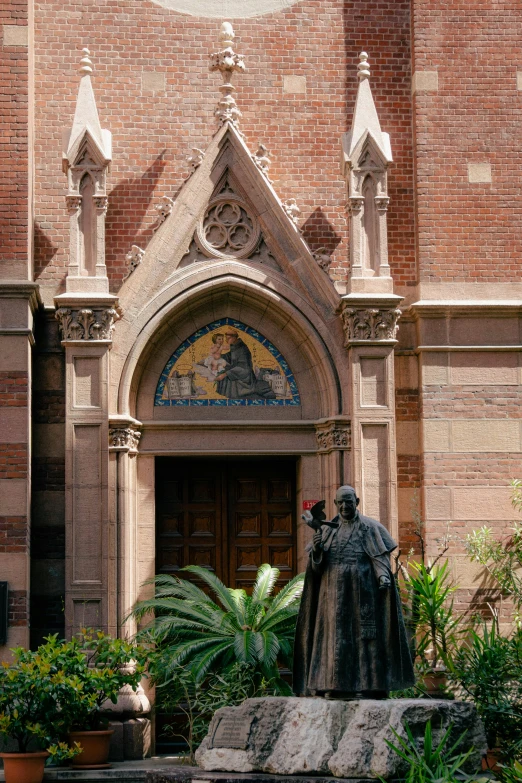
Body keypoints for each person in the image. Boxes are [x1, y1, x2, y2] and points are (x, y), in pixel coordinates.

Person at [293, 485, 414, 699]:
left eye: (349, 501)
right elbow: (316, 569)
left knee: (366, 638)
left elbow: (379, 558)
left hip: (363, 590)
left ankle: (372, 685)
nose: (344, 506)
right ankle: (335, 685)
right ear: (335, 504)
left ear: (357, 501)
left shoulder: (371, 528)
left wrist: (383, 576)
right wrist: (318, 549)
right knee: (335, 638)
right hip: (333, 593)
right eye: (340, 502)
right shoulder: (327, 530)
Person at [215, 329, 275, 399]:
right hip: (236, 373)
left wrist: (226, 374)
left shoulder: (242, 349)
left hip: (245, 379)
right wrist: (220, 357)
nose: (226, 340)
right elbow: (230, 357)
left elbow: (244, 368)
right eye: (226, 338)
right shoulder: (235, 347)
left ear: (234, 338)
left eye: (228, 338)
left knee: (226, 377)